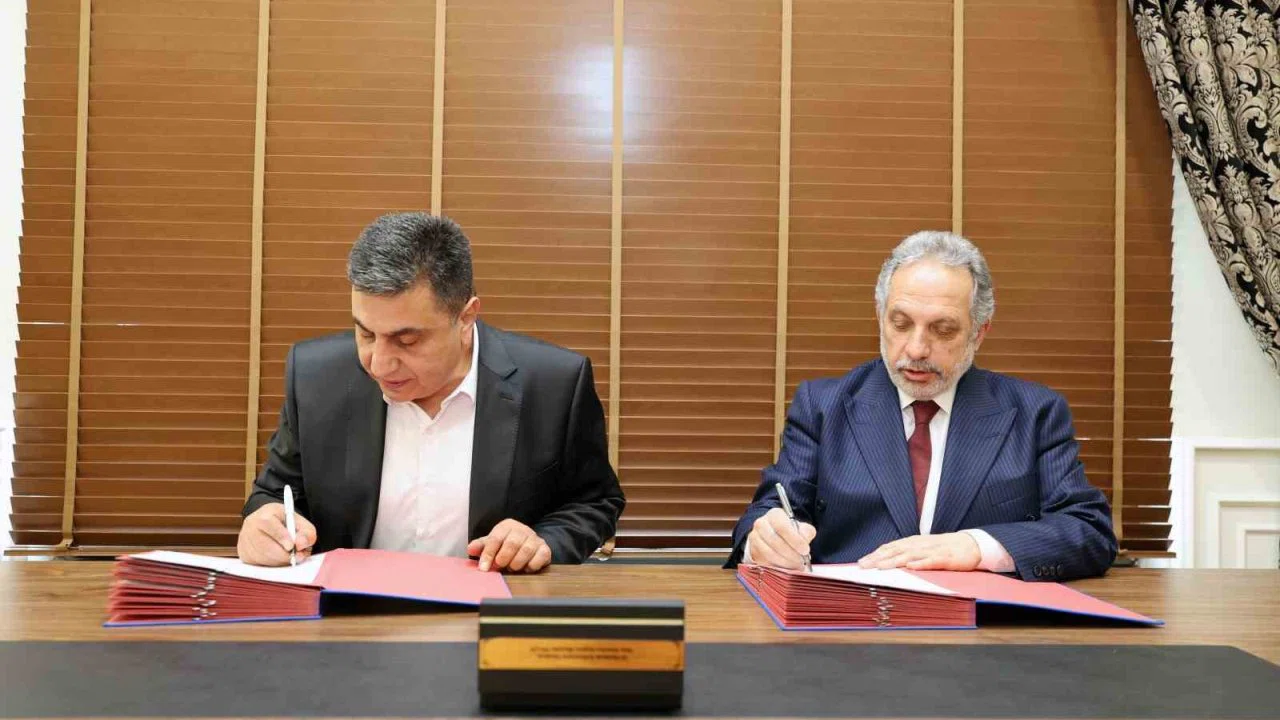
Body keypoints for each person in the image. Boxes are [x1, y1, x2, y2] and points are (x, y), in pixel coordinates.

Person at [237, 212, 625, 572]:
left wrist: (542, 542)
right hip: (348, 615)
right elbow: (275, 494)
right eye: (366, 334)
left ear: (466, 318)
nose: (379, 364)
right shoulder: (316, 377)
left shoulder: (555, 384)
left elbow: (594, 502)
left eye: (406, 340)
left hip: (487, 612)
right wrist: (264, 524)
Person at [728, 231, 1116, 581]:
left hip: (984, 627)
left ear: (979, 333)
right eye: (900, 324)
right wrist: (765, 539)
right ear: (880, 316)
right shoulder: (823, 406)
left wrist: (977, 546)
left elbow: (1088, 530)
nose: (916, 349)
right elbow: (766, 514)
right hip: (850, 621)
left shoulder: (1035, 413)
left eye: (942, 330)